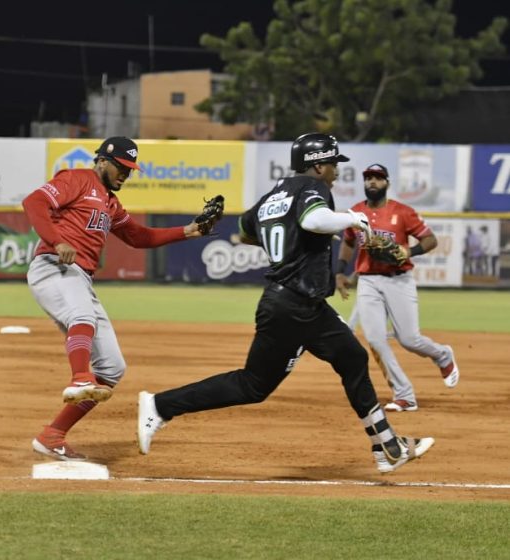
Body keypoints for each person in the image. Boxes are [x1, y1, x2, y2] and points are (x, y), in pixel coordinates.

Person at [137, 133, 434, 474]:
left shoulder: (274, 194)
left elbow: (247, 230)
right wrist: (353, 219)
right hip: (293, 303)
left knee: (351, 356)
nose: (336, 171)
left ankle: (387, 447)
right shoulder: (314, 188)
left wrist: (290, 234)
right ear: (317, 165)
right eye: (333, 164)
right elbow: (312, 220)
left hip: (299, 302)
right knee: (253, 385)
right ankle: (160, 405)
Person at [23, 136, 209, 462]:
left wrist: (189, 231)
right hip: (53, 267)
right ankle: (79, 376)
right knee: (83, 317)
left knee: (112, 367)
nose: (126, 174)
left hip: (79, 277)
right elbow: (33, 203)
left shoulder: (110, 203)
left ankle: (52, 435)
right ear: (103, 160)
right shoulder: (77, 179)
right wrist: (56, 240)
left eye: (130, 169)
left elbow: (139, 237)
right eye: (122, 167)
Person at [335, 163, 459, 413]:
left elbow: (430, 240)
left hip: (399, 279)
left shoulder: (402, 212)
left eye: (378, 178)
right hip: (368, 280)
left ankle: (443, 355)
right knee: (375, 340)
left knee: (409, 339)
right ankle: (404, 394)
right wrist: (340, 271)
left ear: (387, 183)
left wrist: (408, 251)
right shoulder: (356, 213)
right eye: (368, 178)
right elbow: (348, 242)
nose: (372, 182)